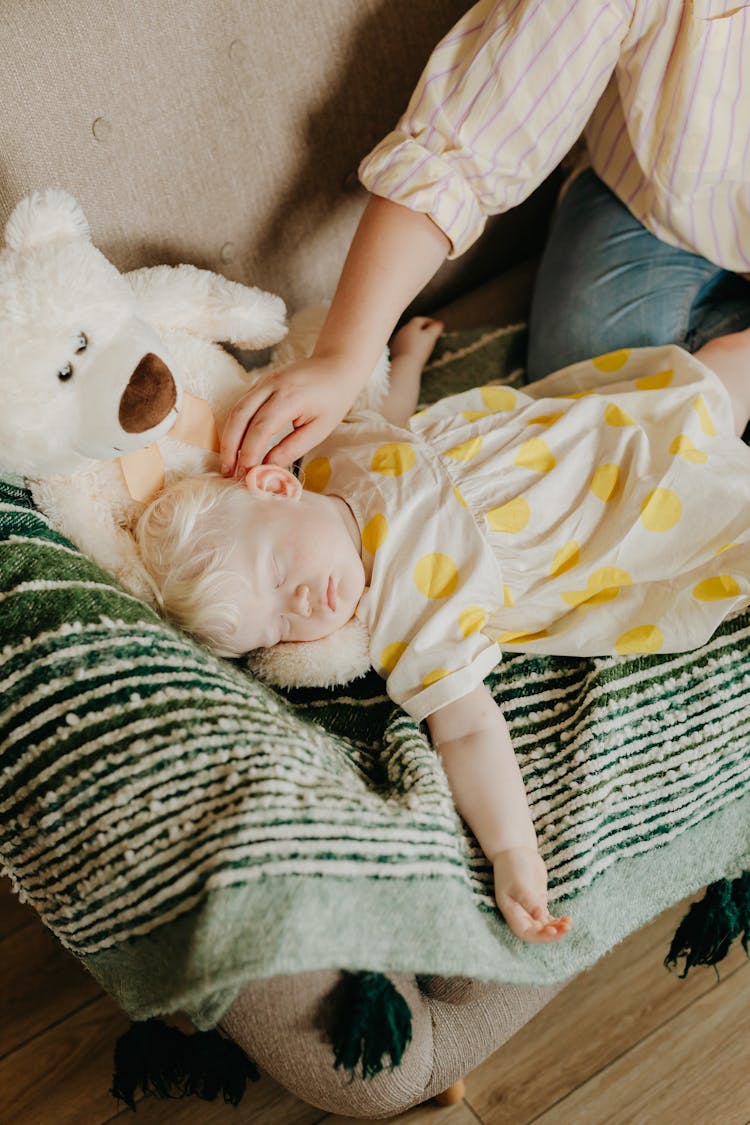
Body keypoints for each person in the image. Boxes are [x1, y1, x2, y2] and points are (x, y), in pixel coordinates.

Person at [138, 316, 750, 944]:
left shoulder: (329, 458)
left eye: (275, 571)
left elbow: (388, 410)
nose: (299, 606)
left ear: (275, 485)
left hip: (601, 421)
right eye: (276, 629)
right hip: (639, 509)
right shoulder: (406, 624)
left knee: (724, 364)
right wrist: (514, 854)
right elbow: (467, 731)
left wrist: (404, 353)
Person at [219, 0, 750, 481]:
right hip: (653, 202)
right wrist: (342, 358)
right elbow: (458, 158)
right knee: (589, 399)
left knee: (653, 447)